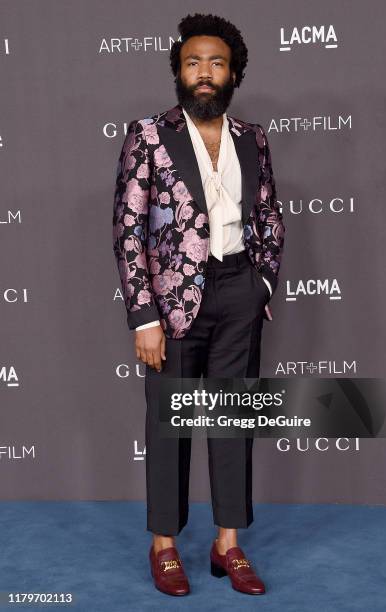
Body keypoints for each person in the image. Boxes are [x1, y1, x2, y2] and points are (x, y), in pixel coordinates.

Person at [112, 12, 285, 596]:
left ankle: (227, 545)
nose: (204, 73)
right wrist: (144, 315)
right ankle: (164, 547)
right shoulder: (148, 135)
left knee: (233, 422)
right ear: (178, 72)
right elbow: (128, 229)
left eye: (215, 62)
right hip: (171, 301)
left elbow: (269, 220)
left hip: (239, 290)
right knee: (170, 426)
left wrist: (262, 285)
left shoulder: (253, 138)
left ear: (233, 72)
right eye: (193, 63)